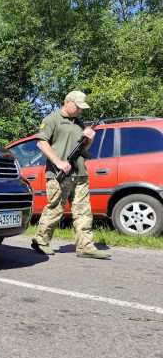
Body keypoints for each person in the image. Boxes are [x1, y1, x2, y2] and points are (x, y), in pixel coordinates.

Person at [31, 91, 110, 260]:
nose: (80, 110)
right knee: (55, 209)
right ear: (67, 102)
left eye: (82, 108)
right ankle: (41, 241)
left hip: (80, 173)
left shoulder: (79, 123)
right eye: (78, 107)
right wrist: (58, 162)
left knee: (84, 211)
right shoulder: (52, 119)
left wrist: (90, 139)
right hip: (59, 174)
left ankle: (85, 247)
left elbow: (83, 150)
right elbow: (41, 143)